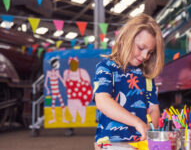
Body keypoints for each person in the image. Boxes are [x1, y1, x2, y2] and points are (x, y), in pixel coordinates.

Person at [93, 13, 164, 142]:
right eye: (141, 48)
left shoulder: (146, 76)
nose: (144, 56)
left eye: (150, 52)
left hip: (140, 145)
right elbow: (102, 101)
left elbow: (154, 108)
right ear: (126, 38)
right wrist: (137, 122)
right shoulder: (106, 67)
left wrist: (150, 130)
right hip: (110, 145)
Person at [63, 57, 92, 123]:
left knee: (81, 107)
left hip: (80, 94)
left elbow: (88, 81)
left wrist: (80, 85)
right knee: (71, 106)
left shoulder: (82, 72)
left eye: (75, 64)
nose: (73, 65)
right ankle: (73, 118)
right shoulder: (66, 73)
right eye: (72, 64)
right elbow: (65, 83)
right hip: (71, 94)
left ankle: (83, 118)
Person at [44, 56, 68, 124]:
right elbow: (45, 83)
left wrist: (65, 83)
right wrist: (48, 90)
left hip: (57, 91)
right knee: (53, 105)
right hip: (53, 92)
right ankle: (54, 119)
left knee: (62, 105)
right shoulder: (49, 73)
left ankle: (63, 119)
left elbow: (61, 80)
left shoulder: (57, 72)